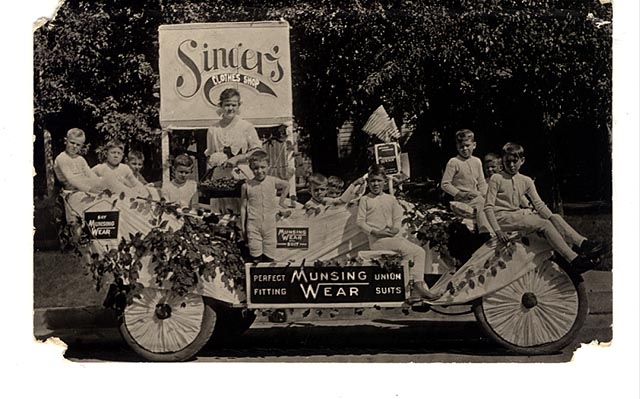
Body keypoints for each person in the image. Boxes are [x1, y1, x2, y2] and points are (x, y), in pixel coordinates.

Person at [484, 142, 605, 273]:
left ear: (522, 160)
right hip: (503, 218)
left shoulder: (526, 180)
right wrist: (498, 231)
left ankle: (582, 243)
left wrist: (552, 217)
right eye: (508, 162)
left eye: (515, 161)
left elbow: (539, 204)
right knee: (544, 224)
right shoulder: (497, 178)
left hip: (518, 217)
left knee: (555, 218)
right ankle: (573, 260)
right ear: (503, 161)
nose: (512, 165)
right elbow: (488, 207)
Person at [357, 165, 442, 300]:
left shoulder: (390, 199)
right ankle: (412, 286)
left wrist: (395, 228)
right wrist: (375, 232)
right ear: (368, 183)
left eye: (379, 180)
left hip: (392, 238)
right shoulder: (365, 200)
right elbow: (360, 222)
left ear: (385, 181)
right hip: (378, 241)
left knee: (420, 251)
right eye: (372, 181)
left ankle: (417, 284)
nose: (376, 184)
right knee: (407, 250)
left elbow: (397, 217)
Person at [204, 88, 263, 214]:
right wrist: (215, 161)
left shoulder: (246, 127)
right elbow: (210, 155)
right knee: (220, 216)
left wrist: (237, 158)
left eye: (233, 105)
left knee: (243, 213)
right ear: (221, 105)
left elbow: (257, 151)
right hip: (220, 180)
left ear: (238, 105)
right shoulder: (213, 129)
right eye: (227, 105)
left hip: (242, 175)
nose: (230, 108)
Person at [240, 150, 290, 263]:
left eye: (263, 167)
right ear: (251, 168)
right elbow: (243, 207)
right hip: (253, 224)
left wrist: (281, 202)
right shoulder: (247, 185)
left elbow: (287, 184)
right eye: (255, 168)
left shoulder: (272, 181)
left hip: (270, 224)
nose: (259, 171)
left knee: (269, 255)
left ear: (268, 166)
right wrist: (243, 226)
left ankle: (268, 279)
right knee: (255, 256)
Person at [441, 129, 493, 235]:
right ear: (457, 147)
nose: (464, 149)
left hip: (475, 195)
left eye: (467, 145)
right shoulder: (454, 162)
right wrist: (459, 194)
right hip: (463, 199)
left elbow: (481, 183)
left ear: (474, 145)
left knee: (491, 202)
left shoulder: (477, 161)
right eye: (461, 146)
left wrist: (487, 195)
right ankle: (486, 231)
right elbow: (445, 184)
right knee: (481, 203)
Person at [53, 128, 106, 193]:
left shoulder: (80, 159)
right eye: (72, 143)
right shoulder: (62, 158)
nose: (74, 146)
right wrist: (89, 190)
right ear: (65, 141)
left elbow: (90, 174)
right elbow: (71, 180)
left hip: (86, 186)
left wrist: (99, 183)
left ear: (81, 146)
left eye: (78, 145)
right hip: (72, 191)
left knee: (107, 181)